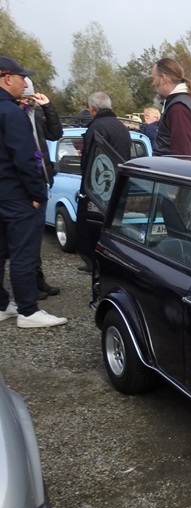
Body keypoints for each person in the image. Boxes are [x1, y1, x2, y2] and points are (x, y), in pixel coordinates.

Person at [0, 56, 66, 328]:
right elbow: (26, 158)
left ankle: (1, 305)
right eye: (21, 77)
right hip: (18, 195)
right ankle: (28, 310)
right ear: (7, 78)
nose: (25, 82)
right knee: (23, 254)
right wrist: (38, 194)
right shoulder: (11, 112)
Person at [77, 92, 131, 272]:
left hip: (100, 187)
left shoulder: (97, 127)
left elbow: (92, 159)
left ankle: (94, 262)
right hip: (119, 183)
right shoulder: (121, 126)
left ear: (92, 109)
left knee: (92, 225)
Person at [19, 77, 62, 299]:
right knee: (22, 240)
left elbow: (56, 133)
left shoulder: (35, 115)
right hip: (20, 186)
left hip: (39, 181)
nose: (27, 101)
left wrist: (48, 107)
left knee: (35, 237)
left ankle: (37, 279)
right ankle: (26, 287)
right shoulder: (11, 116)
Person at [151, 58, 191, 156]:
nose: (153, 83)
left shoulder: (179, 108)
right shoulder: (183, 102)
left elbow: (182, 155)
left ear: (163, 78)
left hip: (172, 165)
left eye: (153, 78)